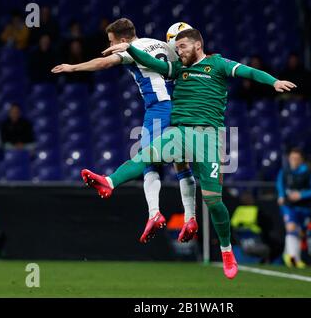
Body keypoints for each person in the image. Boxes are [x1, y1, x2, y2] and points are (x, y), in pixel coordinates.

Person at [82, 28, 296, 279]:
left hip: (210, 138)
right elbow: (151, 62)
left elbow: (248, 71)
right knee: (145, 155)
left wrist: (274, 81)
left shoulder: (217, 64)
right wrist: (130, 48)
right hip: (180, 133)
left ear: (197, 45)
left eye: (182, 47)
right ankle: (109, 182)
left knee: (213, 200)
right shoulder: (177, 69)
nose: (177, 51)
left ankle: (227, 250)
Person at [52, 18, 197, 244]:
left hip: (158, 108)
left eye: (111, 41)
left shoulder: (132, 49)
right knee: (181, 162)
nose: (109, 45)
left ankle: (146, 207)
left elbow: (105, 63)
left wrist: (74, 67)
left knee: (148, 160)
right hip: (181, 107)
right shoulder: (159, 44)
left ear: (121, 40)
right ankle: (190, 217)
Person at [276, 148, 311, 268]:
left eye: (296, 158)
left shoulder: (307, 173)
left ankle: (290, 255)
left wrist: (301, 195)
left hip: (304, 207)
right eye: (292, 158)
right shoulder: (284, 171)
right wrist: (281, 196)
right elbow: (280, 184)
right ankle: (293, 258)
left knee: (299, 233)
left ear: (301, 160)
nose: (293, 161)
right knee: (291, 227)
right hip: (289, 205)